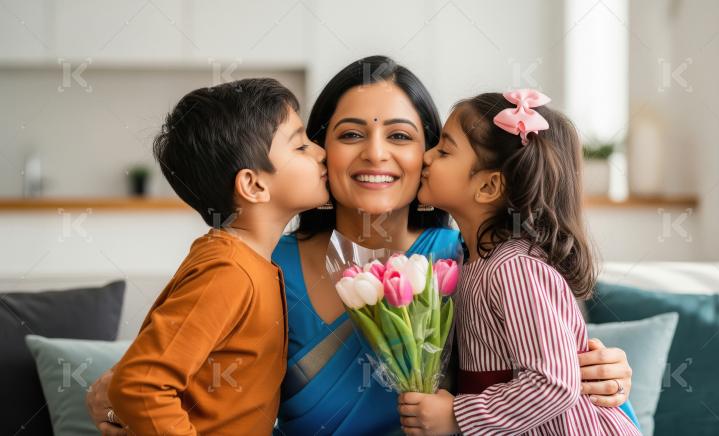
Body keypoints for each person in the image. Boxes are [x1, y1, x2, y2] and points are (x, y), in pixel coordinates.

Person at [87, 57, 635, 436]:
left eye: (401, 136)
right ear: (320, 148)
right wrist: (108, 391)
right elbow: (162, 368)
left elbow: (548, 373)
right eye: (350, 134)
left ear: (430, 153)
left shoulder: (471, 258)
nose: (376, 154)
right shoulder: (260, 265)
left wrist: (607, 373)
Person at [398, 90, 640, 435]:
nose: (426, 157)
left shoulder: (513, 267)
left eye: (444, 149)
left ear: (488, 186)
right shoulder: (474, 261)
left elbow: (554, 382)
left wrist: (456, 416)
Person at [105, 78, 328, 435]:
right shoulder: (227, 271)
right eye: (300, 146)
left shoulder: (251, 263)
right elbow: (139, 385)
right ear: (253, 185)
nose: (321, 151)